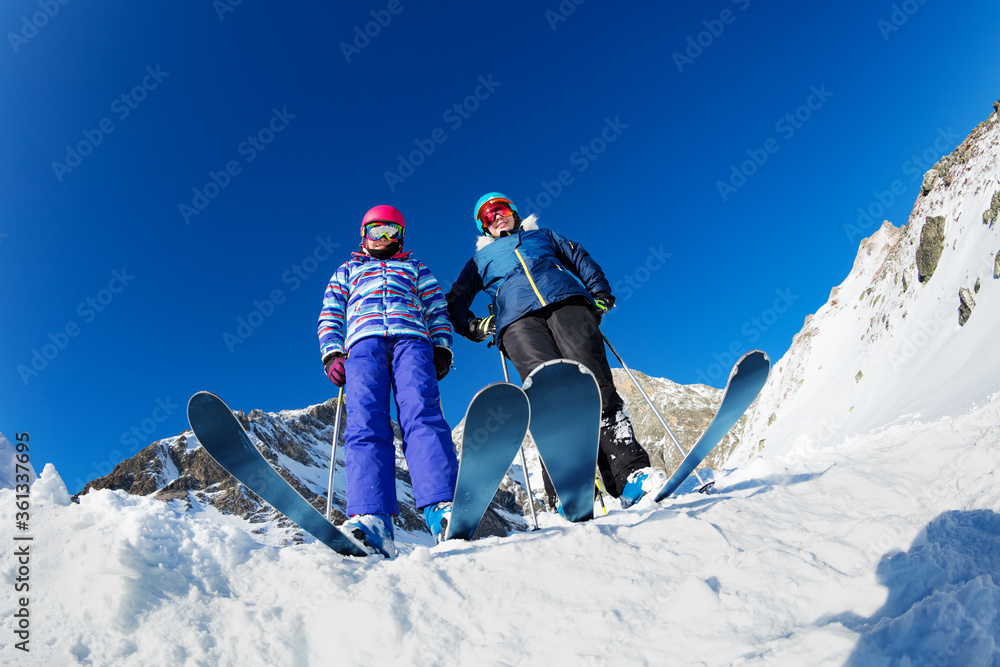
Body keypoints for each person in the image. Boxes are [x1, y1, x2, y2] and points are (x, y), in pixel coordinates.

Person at [445, 192, 665, 510]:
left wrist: (599, 293)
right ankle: (567, 491)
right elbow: (456, 301)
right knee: (549, 394)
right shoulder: (480, 261)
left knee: (596, 382)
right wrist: (477, 326)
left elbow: (580, 258)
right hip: (516, 322)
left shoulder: (543, 236)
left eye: (501, 209)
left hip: (567, 303)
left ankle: (629, 475)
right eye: (487, 216)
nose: (496, 217)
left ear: (514, 212)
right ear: (483, 227)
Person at [318, 204, 457, 557]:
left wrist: (441, 345)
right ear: (363, 236)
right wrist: (333, 353)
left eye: (390, 232)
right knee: (365, 421)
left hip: (413, 340)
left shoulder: (414, 268)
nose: (382, 238)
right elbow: (331, 312)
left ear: (401, 237)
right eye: (376, 231)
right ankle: (373, 520)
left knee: (422, 414)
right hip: (362, 346)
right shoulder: (348, 270)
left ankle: (443, 508)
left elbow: (436, 307)